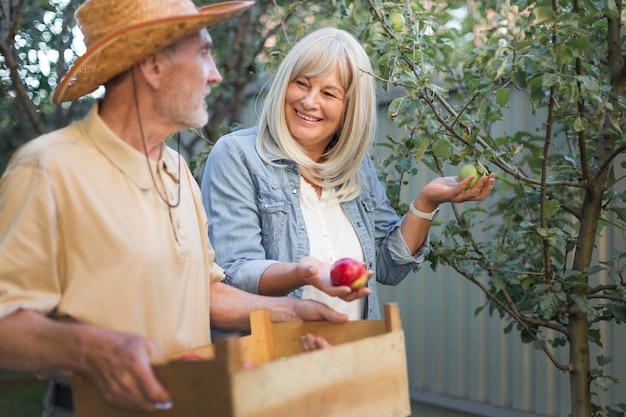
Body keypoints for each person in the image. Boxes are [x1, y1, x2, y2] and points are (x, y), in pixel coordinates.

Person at [0, 2, 350, 416]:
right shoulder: (48, 168)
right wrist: (93, 348)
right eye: (203, 53)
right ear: (152, 67)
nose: (216, 73)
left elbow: (201, 292)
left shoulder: (178, 169)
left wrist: (294, 310)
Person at [201, 27, 496, 321]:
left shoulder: (356, 169)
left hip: (351, 353)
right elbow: (236, 272)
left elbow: (388, 267)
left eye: (328, 93)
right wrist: (304, 272)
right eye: (302, 84)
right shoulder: (239, 155)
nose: (309, 101)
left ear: (349, 109)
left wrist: (427, 202)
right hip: (277, 356)